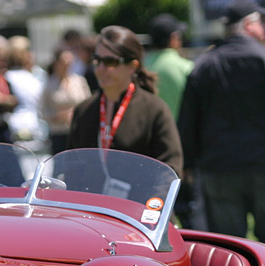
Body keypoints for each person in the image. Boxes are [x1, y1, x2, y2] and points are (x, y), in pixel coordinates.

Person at [178, 0, 265, 258]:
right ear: (248, 24)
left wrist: (187, 163)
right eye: (261, 22)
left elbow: (188, 121)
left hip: (219, 170)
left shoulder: (205, 65)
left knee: (227, 245)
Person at [66, 25, 184, 177]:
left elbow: (170, 169)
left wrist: (150, 199)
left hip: (138, 200)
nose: (101, 68)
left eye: (110, 62)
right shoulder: (83, 111)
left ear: (132, 66)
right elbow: (70, 169)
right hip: (90, 200)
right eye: (97, 60)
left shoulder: (155, 109)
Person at [144, 13, 205, 231]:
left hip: (149, 150)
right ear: (173, 38)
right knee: (189, 210)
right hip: (182, 148)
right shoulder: (186, 67)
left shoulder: (142, 67)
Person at [39, 47, 90, 154]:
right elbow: (42, 111)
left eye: (70, 61)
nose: (67, 64)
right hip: (59, 133)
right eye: (64, 61)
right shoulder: (49, 84)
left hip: (78, 132)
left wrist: (75, 113)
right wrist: (56, 116)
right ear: (57, 62)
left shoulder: (79, 81)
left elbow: (88, 104)